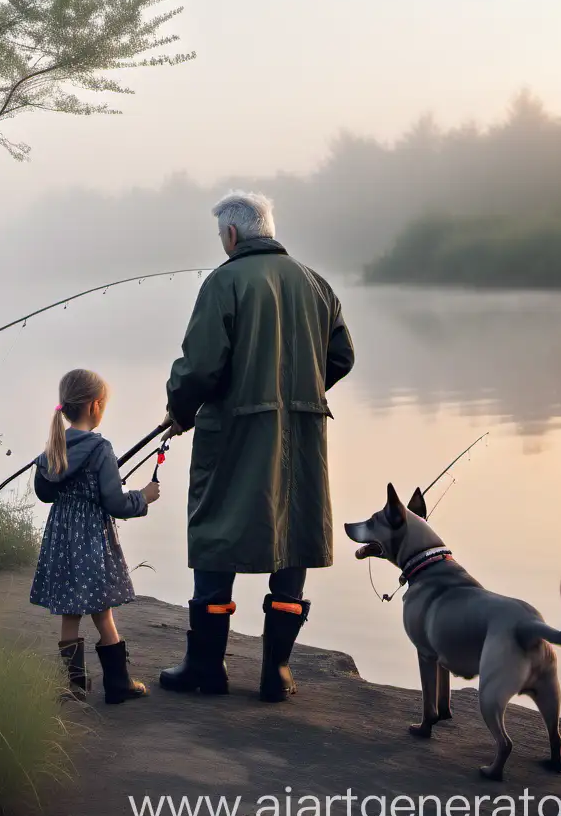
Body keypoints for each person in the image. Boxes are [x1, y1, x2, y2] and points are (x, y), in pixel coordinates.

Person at [158, 191, 355, 702]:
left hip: (234, 435)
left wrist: (180, 412)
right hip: (304, 436)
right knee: (292, 534)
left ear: (231, 235)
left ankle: (206, 668)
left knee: (217, 531)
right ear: (268, 228)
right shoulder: (317, 284)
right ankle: (278, 674)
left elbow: (199, 368)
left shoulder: (223, 282)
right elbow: (342, 357)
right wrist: (301, 397)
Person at [29, 368, 160, 704]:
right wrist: (143, 497)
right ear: (94, 405)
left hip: (61, 541)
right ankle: (118, 683)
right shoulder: (100, 448)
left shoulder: (52, 449)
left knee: (70, 614)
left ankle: (73, 687)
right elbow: (114, 501)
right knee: (102, 610)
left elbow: (44, 493)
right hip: (90, 541)